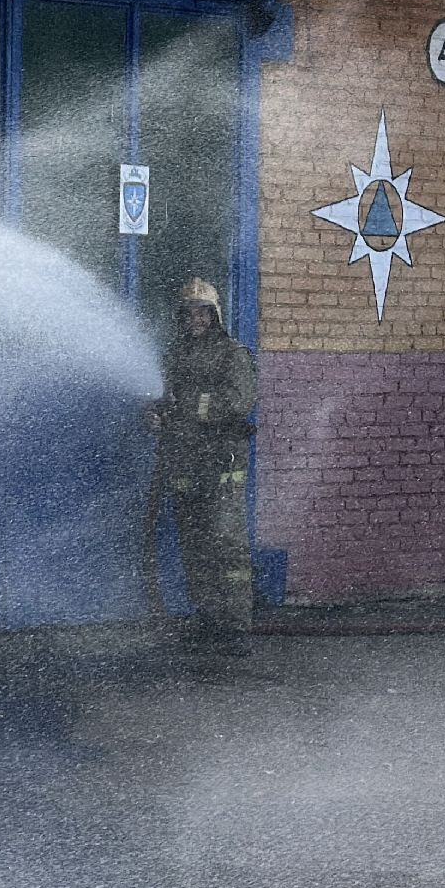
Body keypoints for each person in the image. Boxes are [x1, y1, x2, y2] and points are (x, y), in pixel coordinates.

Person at [146, 278, 257, 657]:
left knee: (227, 545)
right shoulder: (175, 355)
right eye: (189, 313)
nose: (195, 319)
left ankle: (236, 627)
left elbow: (239, 401)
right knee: (194, 545)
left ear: (215, 316)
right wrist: (156, 412)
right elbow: (165, 399)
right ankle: (209, 620)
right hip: (185, 461)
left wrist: (190, 406)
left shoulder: (233, 354)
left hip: (222, 463)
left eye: (202, 313)